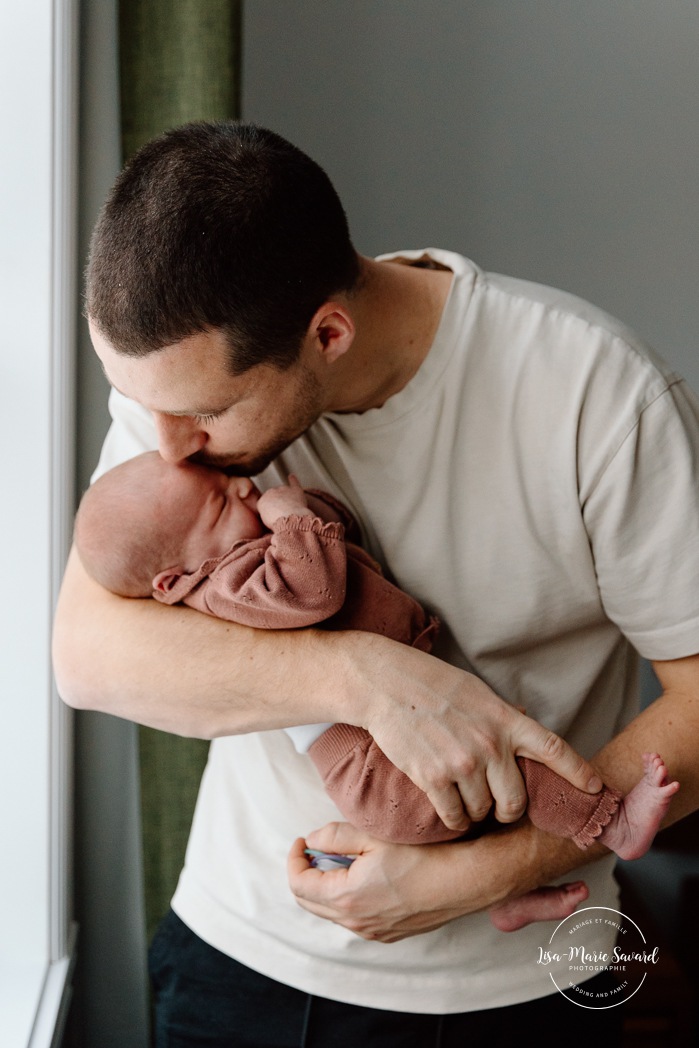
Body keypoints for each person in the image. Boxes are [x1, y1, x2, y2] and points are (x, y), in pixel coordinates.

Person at [52, 121, 699, 1046]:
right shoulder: (177, 403)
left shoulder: (596, 394)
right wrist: (366, 677)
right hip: (242, 959)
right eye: (139, 404)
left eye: (200, 414)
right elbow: (87, 655)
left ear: (328, 332)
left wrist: (491, 872)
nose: (167, 449)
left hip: (525, 984)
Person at [74, 451, 679, 934]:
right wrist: (291, 515)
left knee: (491, 803)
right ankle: (612, 822)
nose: (238, 488)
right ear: (172, 579)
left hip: (381, 756)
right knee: (513, 770)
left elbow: (341, 545)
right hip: (375, 770)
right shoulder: (227, 586)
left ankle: (508, 901)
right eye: (215, 503)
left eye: (224, 480)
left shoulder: (235, 557)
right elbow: (317, 590)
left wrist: (314, 512)